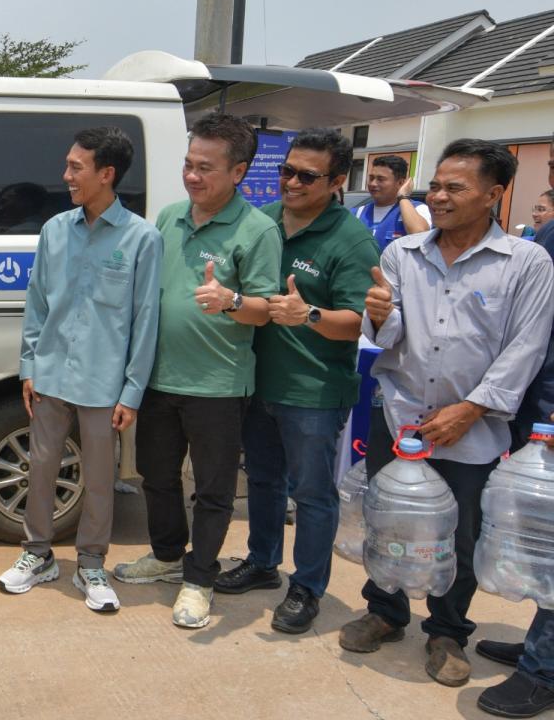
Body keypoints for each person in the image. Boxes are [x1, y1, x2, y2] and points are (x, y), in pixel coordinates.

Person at [339, 139, 554, 689]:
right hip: (401, 414)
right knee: (389, 516)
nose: (437, 196)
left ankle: (447, 631)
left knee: (460, 533)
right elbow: (390, 334)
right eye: (435, 185)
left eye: (454, 187)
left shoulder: (526, 262)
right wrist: (378, 315)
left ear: (493, 194)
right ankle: (385, 611)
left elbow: (527, 347)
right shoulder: (402, 254)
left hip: (473, 426)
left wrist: (472, 408)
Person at [112, 112, 282, 629]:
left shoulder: (258, 230)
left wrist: (231, 300)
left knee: (212, 489)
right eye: (189, 164)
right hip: (158, 377)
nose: (192, 175)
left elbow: (265, 310)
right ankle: (167, 555)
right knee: (156, 476)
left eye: (206, 167)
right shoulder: (169, 217)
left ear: (239, 172)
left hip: (218, 384)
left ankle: (199, 578)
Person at [213, 128, 379, 633]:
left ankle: (307, 586)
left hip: (313, 389)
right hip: (257, 381)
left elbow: (357, 322)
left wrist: (309, 315)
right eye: (287, 171)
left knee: (311, 494)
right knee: (263, 481)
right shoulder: (262, 220)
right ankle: (263, 562)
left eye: (307, 176)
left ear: (337, 181)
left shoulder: (350, 239)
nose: (291, 182)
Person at [0, 127, 162, 612]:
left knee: (99, 478)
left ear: (106, 174)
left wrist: (132, 391)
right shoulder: (55, 230)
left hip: (103, 381)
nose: (66, 175)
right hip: (50, 373)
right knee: (40, 467)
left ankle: (91, 563)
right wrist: (28, 365)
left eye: (76, 167)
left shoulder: (141, 238)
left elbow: (145, 319)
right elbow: (37, 303)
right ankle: (38, 554)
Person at [474, 137, 554, 719]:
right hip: (538, 404)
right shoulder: (548, 235)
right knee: (542, 541)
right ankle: (539, 647)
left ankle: (542, 671)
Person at [352, 154, 431, 250]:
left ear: (400, 183)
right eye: (371, 178)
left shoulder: (418, 210)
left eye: (380, 179)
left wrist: (403, 197)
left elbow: (420, 236)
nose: (373, 184)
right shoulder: (357, 213)